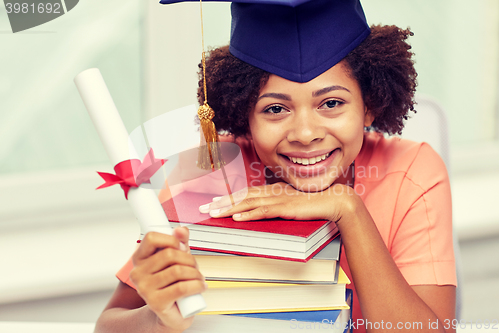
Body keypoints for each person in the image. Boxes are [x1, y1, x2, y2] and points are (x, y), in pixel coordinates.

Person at [94, 1, 457, 332]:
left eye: (331, 103)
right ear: (243, 115)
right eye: (275, 109)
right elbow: (109, 324)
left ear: (370, 105)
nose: (305, 133)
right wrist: (157, 319)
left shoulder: (411, 170)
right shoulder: (211, 170)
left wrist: (348, 208)